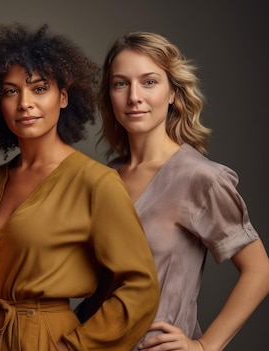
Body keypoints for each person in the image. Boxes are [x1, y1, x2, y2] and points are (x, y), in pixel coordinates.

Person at [0, 23, 160, 350]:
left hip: (47, 338)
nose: (24, 103)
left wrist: (73, 347)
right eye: (11, 91)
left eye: (39, 88)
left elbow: (141, 287)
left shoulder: (95, 181)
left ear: (63, 97)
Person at [93, 31, 269, 351]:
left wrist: (205, 346)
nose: (134, 96)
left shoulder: (199, 178)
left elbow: (259, 270)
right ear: (109, 95)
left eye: (149, 82)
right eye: (121, 83)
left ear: (173, 92)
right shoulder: (103, 177)